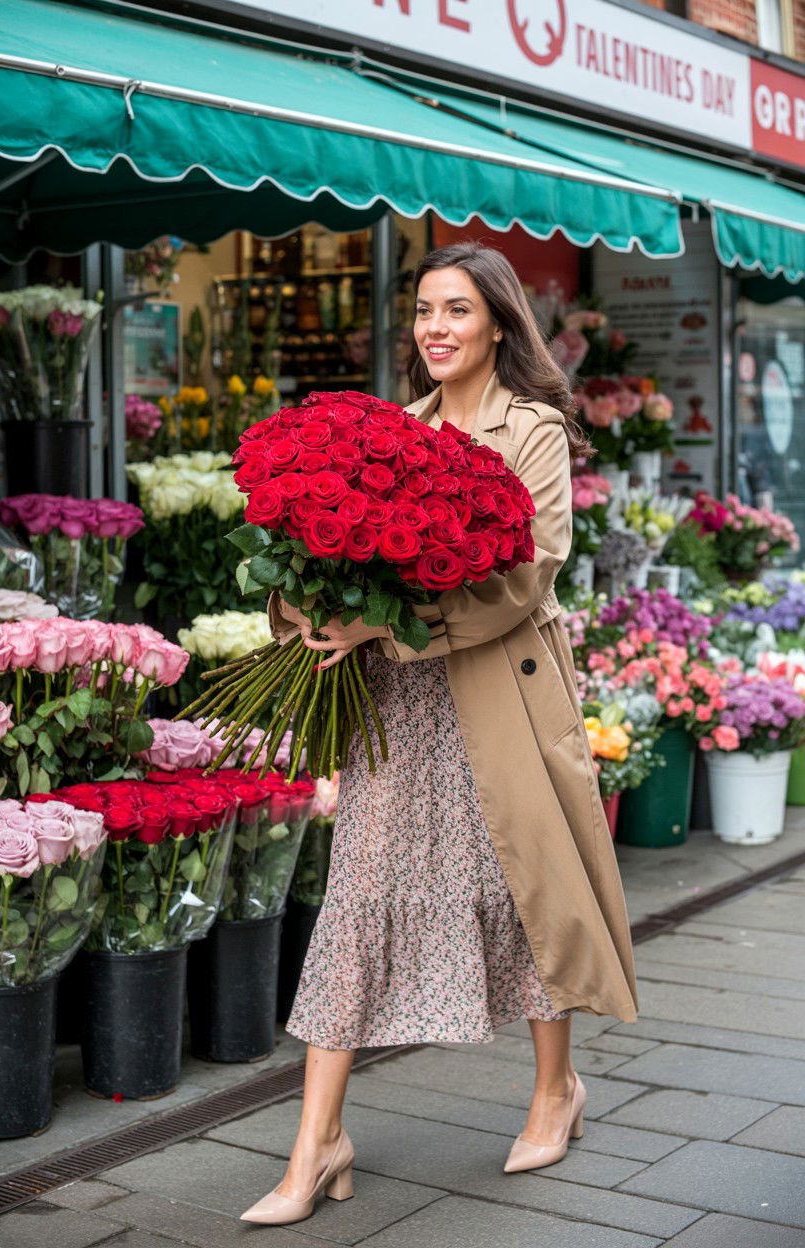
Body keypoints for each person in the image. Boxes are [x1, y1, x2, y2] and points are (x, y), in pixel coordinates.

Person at [241, 242, 639, 1227]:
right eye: (423, 311)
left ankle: (556, 1091)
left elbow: (531, 571)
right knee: (358, 893)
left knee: (523, 884)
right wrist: (309, 617)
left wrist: (382, 622)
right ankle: (317, 1140)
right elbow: (319, 557)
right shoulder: (388, 429)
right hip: (395, 709)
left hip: (496, 689)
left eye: (457, 310)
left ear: (497, 323)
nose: (436, 329)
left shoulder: (531, 426)